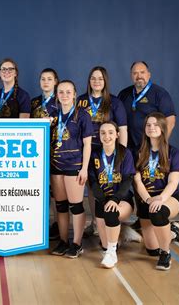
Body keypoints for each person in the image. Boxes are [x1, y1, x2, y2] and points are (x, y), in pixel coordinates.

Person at [118, 61, 179, 239]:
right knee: (136, 186)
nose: (139, 76)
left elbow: (170, 120)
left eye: (142, 72)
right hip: (131, 151)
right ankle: (143, 220)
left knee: (151, 183)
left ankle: (169, 226)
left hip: (150, 150)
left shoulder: (160, 94)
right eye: (135, 73)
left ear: (149, 74)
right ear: (131, 75)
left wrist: (159, 146)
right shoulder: (125, 94)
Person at [77, 66, 128, 238]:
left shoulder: (114, 102)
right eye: (93, 78)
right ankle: (95, 222)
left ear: (105, 81)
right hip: (86, 149)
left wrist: (122, 153)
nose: (96, 81)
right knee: (92, 186)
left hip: (107, 149)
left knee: (109, 183)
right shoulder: (81, 100)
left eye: (100, 78)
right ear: (89, 81)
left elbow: (122, 129)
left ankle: (110, 220)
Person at [50, 80, 93, 258]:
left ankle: (76, 243)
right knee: (60, 206)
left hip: (74, 164)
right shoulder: (52, 114)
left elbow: (87, 144)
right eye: (61, 92)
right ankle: (63, 241)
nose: (65, 95)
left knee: (75, 206)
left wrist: (84, 169)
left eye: (68, 92)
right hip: (55, 165)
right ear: (56, 94)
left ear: (74, 94)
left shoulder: (82, 115)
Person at [134, 112, 179, 271]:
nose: (151, 128)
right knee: (151, 249)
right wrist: (148, 200)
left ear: (162, 128)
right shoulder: (138, 152)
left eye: (155, 124)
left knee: (158, 212)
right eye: (148, 125)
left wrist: (160, 198)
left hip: (168, 198)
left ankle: (166, 253)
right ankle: (173, 231)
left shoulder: (172, 152)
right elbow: (138, 181)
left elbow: (173, 182)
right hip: (146, 200)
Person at [88, 122, 135, 268]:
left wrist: (115, 199)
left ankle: (112, 253)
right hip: (102, 200)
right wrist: (103, 199)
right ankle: (123, 232)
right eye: (103, 133)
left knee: (111, 213)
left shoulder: (125, 153)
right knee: (104, 243)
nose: (106, 136)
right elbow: (93, 182)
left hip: (122, 199)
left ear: (117, 135)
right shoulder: (94, 154)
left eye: (110, 132)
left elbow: (128, 180)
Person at [30, 68, 60, 239]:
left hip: (55, 150)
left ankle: (56, 223)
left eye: (50, 79)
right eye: (43, 79)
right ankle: (39, 223)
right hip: (36, 152)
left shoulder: (61, 100)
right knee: (38, 189)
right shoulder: (34, 102)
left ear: (55, 81)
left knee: (55, 190)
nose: (46, 82)